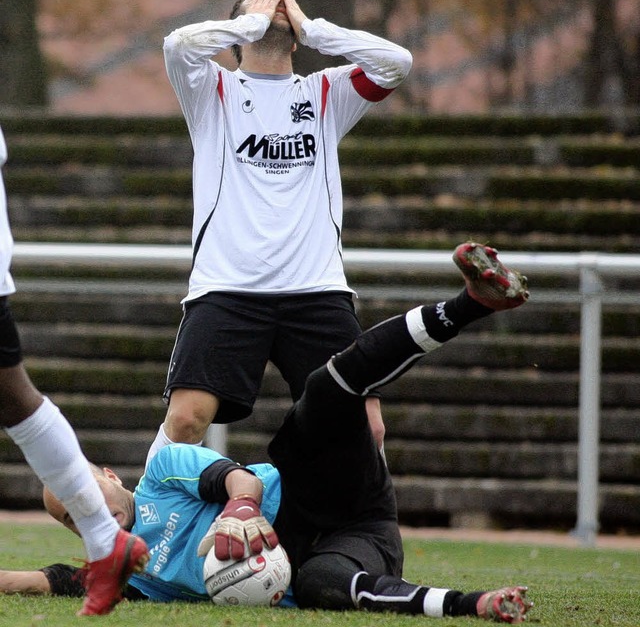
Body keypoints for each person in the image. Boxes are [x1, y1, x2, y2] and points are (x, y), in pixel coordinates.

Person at [4, 243, 532, 623]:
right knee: (319, 586)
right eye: (70, 517)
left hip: (317, 489)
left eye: (80, 493)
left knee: (324, 391)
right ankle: (474, 604)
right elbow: (29, 582)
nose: (83, 513)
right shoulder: (132, 575)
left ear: (110, 474)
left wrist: (241, 515)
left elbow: (239, 481)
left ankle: (472, 304)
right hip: (361, 540)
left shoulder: (163, 473)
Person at [149, 0, 414, 463]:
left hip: (315, 289)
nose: (272, 11)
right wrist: (248, 24)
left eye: (281, 11)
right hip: (229, 287)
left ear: (295, 39)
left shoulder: (326, 92)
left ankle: (347, 536)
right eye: (257, 9)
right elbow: (177, 44)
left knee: (364, 427)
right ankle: (145, 525)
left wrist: (316, 30)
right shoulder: (212, 89)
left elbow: (397, 63)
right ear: (237, 33)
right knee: (187, 418)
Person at [0, 125, 150, 616]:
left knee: (12, 392)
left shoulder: (174, 473)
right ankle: (107, 542)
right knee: (11, 393)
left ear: (109, 474)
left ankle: (107, 541)